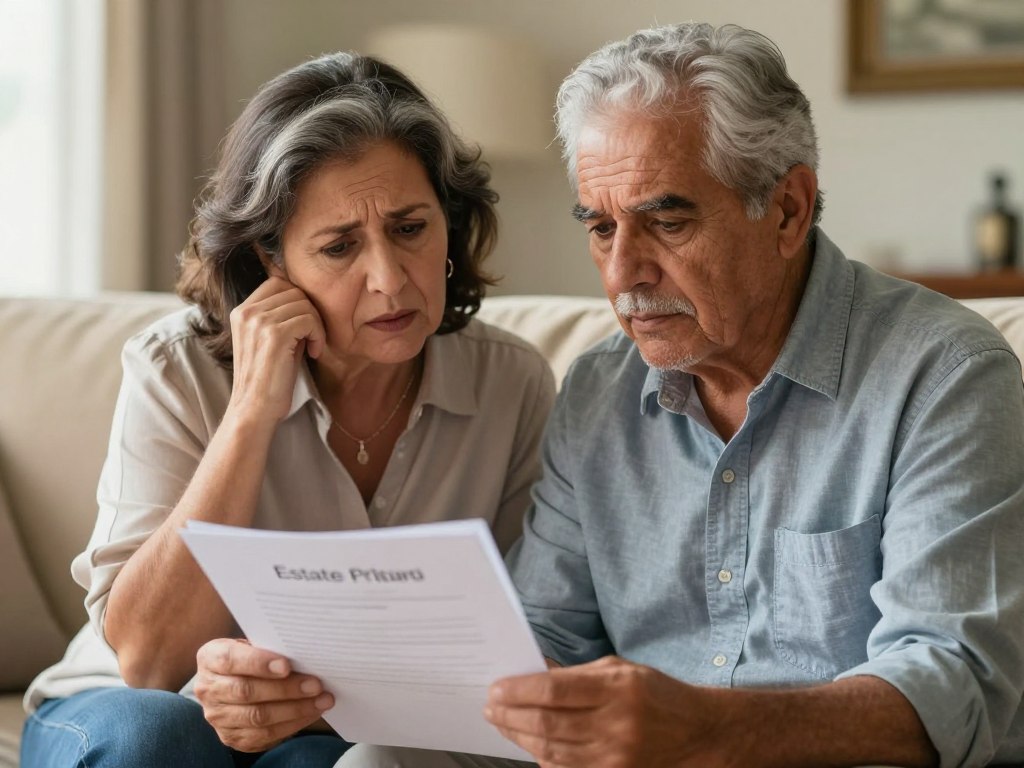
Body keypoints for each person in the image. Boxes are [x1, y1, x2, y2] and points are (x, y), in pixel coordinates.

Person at [333, 21, 1024, 768]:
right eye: (600, 228)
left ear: (787, 210)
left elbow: (957, 686)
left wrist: (706, 731)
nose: (624, 273)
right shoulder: (600, 388)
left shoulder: (945, 373)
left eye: (666, 221)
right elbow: (544, 642)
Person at [20, 51, 555, 768]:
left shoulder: (511, 383)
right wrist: (251, 412)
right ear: (274, 262)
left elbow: (531, 646)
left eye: (410, 228)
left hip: (332, 731)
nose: (390, 280)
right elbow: (147, 661)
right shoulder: (174, 368)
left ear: (449, 225)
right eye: (339, 246)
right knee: (160, 737)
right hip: (132, 708)